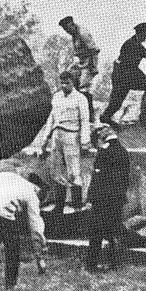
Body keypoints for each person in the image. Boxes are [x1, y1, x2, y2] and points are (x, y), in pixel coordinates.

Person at [99, 22, 146, 127]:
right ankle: (142, 119)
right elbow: (131, 65)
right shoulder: (132, 44)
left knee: (117, 102)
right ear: (141, 33)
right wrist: (145, 77)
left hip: (124, 75)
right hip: (123, 76)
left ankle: (107, 117)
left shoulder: (135, 43)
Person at [38, 70, 91, 213]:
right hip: (57, 135)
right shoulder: (56, 97)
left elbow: (85, 120)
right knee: (57, 171)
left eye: (67, 82)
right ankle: (59, 205)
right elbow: (51, 119)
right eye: (62, 82)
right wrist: (44, 141)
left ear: (73, 83)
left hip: (71, 135)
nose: (64, 85)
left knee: (74, 171)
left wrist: (85, 141)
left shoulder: (80, 98)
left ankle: (77, 205)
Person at [86, 123, 130, 272]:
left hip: (102, 199)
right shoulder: (124, 151)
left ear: (101, 139)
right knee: (114, 230)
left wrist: (90, 198)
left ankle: (91, 264)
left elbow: (97, 178)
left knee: (96, 232)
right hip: (117, 198)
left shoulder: (104, 152)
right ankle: (114, 263)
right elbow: (125, 179)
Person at [58, 16, 100, 121]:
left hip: (89, 63)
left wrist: (93, 67)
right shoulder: (74, 34)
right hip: (81, 62)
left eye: (67, 28)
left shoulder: (82, 33)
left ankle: (90, 117)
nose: (67, 31)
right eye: (65, 30)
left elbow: (94, 50)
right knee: (68, 77)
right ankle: (75, 114)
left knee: (84, 89)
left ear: (72, 24)